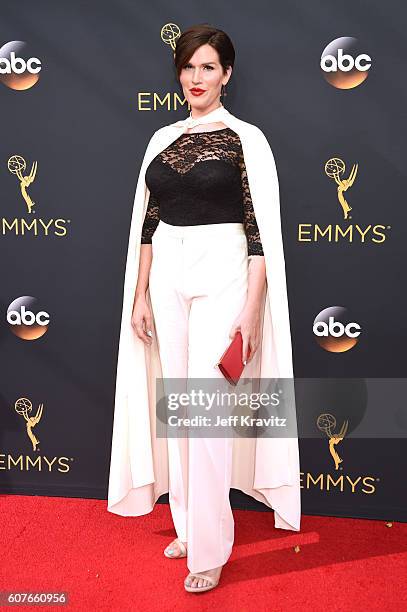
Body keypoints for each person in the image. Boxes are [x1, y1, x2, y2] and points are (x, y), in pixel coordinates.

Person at [107, 23, 301, 595]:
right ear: (179, 73)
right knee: (180, 408)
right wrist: (140, 292)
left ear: (228, 74)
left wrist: (252, 309)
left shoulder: (247, 139)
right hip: (166, 270)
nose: (197, 78)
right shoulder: (161, 139)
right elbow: (147, 220)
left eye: (209, 67)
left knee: (207, 409)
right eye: (189, 67)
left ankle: (213, 550)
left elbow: (261, 232)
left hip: (225, 271)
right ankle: (190, 526)